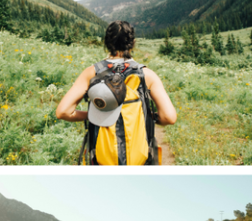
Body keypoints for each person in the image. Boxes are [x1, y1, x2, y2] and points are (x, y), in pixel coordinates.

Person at [55, 20, 177, 164]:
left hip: (103, 161)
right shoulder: (146, 75)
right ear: (133, 43)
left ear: (106, 43)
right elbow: (169, 117)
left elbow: (63, 112)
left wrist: (93, 115)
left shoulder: (91, 73)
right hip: (139, 161)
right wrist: (149, 116)